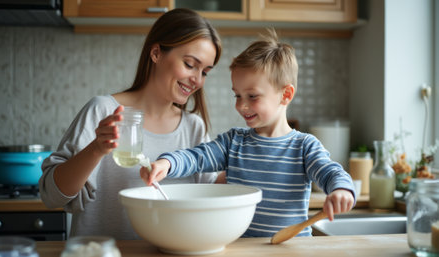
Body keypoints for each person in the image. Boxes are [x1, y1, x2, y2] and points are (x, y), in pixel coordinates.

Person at [140, 29, 356, 238]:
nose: (242, 106)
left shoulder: (305, 147)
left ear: (286, 95)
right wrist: (167, 164)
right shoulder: (233, 142)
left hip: (292, 248)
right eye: (237, 96)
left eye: (252, 96)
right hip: (241, 248)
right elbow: (197, 157)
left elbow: (331, 172)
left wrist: (341, 190)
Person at [39, 8, 222, 240]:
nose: (197, 80)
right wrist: (96, 148)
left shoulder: (193, 127)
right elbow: (51, 197)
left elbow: (213, 191)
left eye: (205, 71)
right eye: (189, 64)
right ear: (156, 53)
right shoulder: (103, 110)